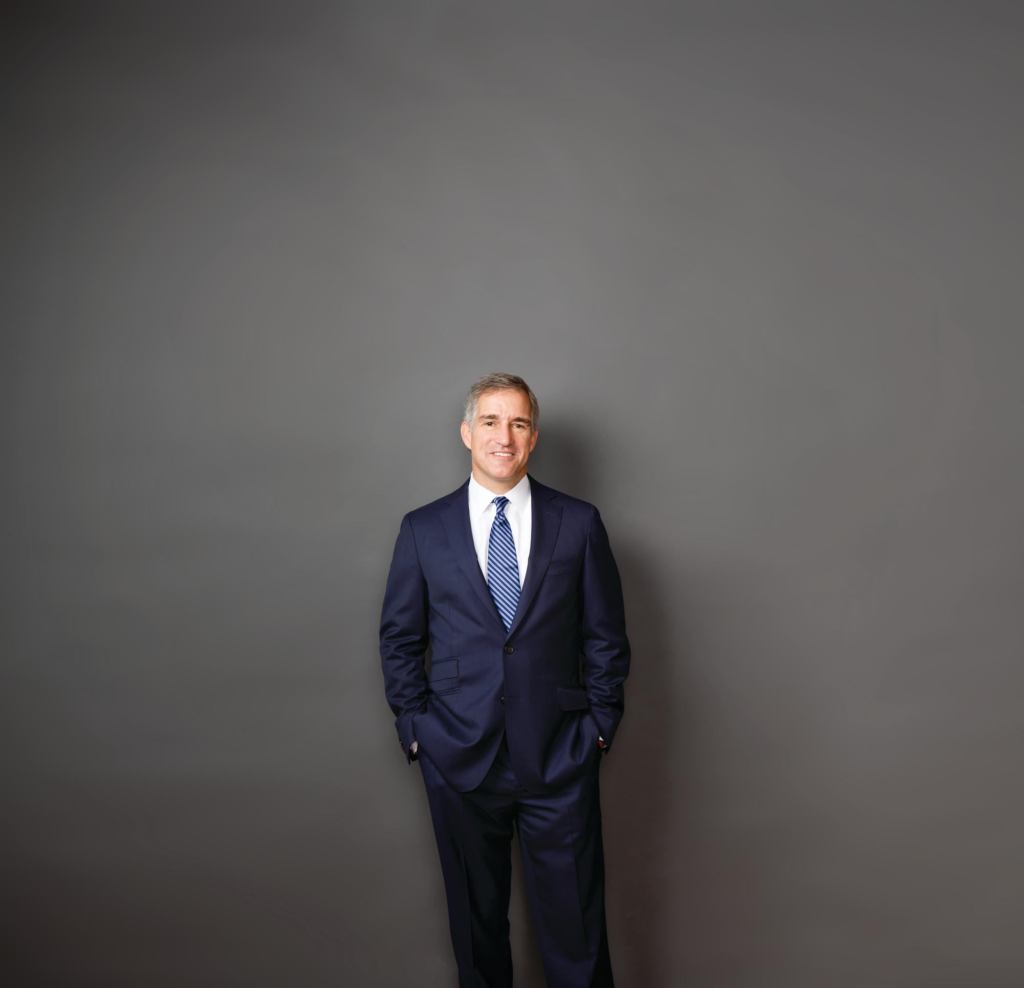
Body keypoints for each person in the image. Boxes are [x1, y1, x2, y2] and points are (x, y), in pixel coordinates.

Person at [380, 372, 630, 988]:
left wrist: (598, 728)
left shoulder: (578, 522)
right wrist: (417, 730)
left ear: (533, 437)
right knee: (477, 939)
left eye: (518, 423)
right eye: (490, 422)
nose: (504, 436)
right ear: (467, 433)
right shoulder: (423, 529)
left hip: (559, 756)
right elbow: (400, 640)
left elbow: (605, 637)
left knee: (577, 938)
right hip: (459, 757)